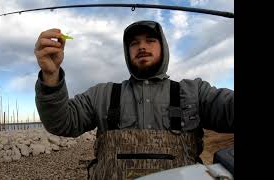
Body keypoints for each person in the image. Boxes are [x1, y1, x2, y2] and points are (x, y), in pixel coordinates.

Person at [34, 20, 234, 180]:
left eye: (150, 40)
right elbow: (61, 123)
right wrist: (51, 75)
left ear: (163, 47)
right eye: (134, 43)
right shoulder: (102, 94)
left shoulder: (194, 92)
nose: (142, 47)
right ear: (127, 51)